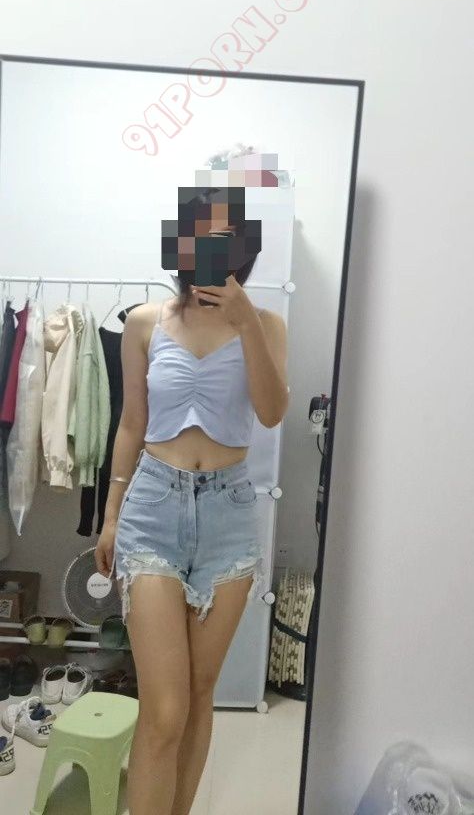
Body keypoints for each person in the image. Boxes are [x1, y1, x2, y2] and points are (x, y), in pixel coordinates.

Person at [95, 186, 289, 815]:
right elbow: (131, 423)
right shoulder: (145, 323)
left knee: (201, 695)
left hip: (229, 515)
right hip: (152, 509)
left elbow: (272, 411)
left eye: (224, 238)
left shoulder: (267, 325)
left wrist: (246, 320)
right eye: (197, 236)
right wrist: (110, 516)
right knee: (165, 709)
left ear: (243, 249)